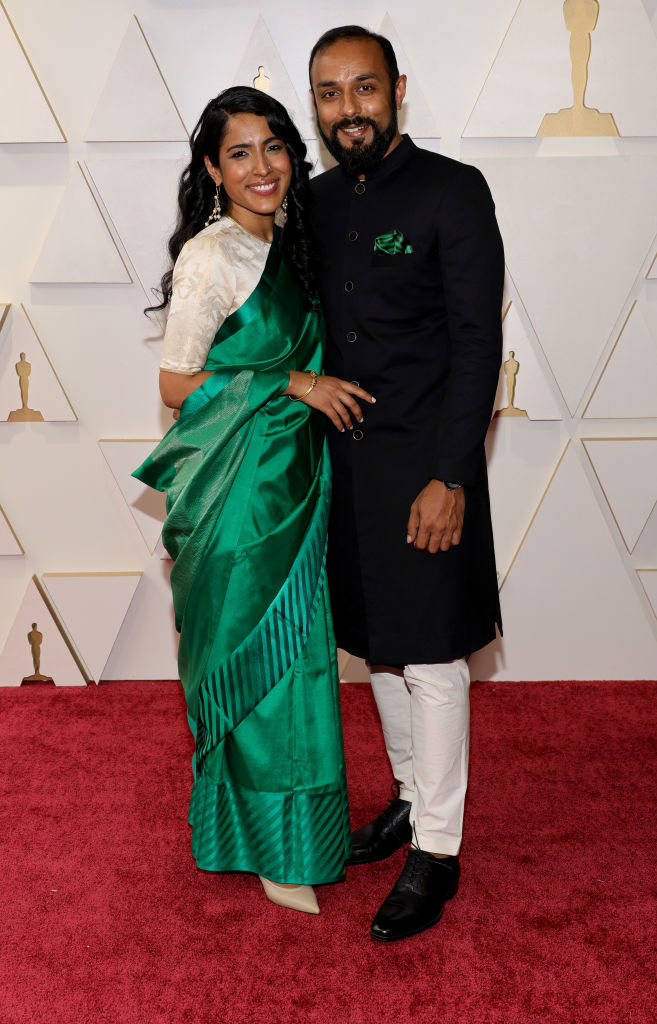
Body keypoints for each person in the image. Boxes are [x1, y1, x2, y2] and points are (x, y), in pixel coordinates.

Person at [133, 86, 374, 915]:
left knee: (300, 669)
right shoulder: (212, 257)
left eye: (273, 147)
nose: (261, 167)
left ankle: (293, 834)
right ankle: (263, 844)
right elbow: (175, 384)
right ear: (212, 169)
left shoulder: (291, 245)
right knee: (255, 675)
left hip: (296, 487)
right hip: (235, 499)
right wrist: (294, 380)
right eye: (239, 153)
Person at [309, 26, 504, 941]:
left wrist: (449, 475)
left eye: (363, 88)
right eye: (329, 94)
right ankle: (404, 798)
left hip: (426, 467)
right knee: (375, 646)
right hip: (340, 469)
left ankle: (436, 850)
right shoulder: (307, 203)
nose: (348, 108)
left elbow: (477, 346)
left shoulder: (452, 192)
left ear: (396, 91)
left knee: (429, 657)